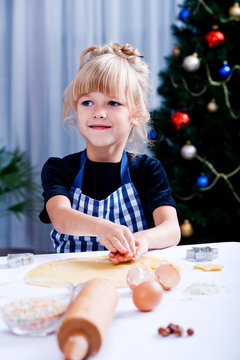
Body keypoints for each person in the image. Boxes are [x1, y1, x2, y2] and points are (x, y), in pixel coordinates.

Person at [39, 42, 181, 264]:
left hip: (128, 274)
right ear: (76, 110)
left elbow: (172, 230)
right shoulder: (59, 169)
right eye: (87, 102)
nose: (98, 113)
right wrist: (101, 228)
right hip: (71, 279)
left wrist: (141, 240)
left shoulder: (147, 171)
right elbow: (61, 218)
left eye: (113, 103)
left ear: (135, 114)